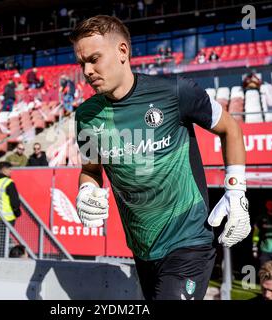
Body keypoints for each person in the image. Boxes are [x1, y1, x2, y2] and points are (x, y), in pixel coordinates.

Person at [69, 15, 250, 300]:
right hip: (143, 249)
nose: (87, 71)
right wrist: (86, 188)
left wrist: (236, 191)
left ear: (122, 52)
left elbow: (230, 128)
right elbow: (91, 168)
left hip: (189, 239)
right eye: (82, 64)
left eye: (94, 59)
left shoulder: (176, 92)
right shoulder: (87, 117)